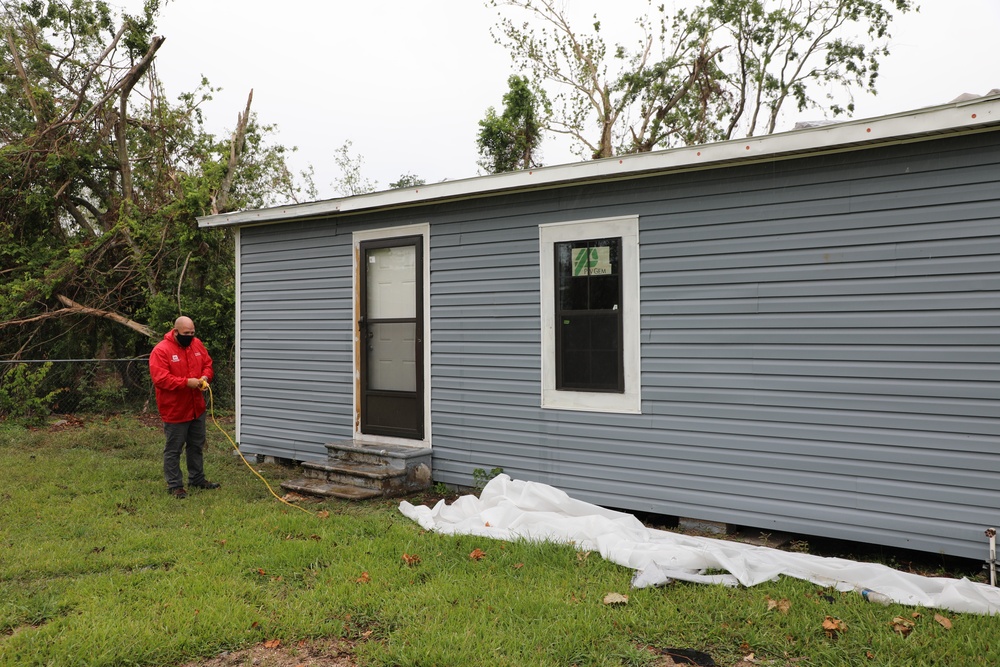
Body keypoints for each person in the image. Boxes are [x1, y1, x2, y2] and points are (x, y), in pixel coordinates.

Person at [149, 316, 219, 499]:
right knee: (174, 448)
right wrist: (186, 382)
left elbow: (208, 365)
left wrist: (204, 377)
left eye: (192, 333)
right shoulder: (161, 351)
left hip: (197, 407)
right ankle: (175, 486)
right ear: (176, 331)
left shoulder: (197, 345)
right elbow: (160, 379)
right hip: (175, 409)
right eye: (186, 333)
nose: (190, 336)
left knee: (196, 445)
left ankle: (197, 479)